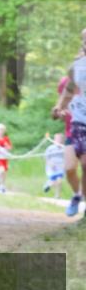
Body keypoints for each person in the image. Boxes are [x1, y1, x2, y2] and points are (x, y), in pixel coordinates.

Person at [52, 27, 86, 218]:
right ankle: (77, 195)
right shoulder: (77, 67)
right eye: (85, 40)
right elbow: (68, 90)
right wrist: (59, 107)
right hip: (76, 124)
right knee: (69, 168)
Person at [58, 76, 82, 200]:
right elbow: (60, 105)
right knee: (69, 169)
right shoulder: (66, 81)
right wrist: (60, 112)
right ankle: (78, 195)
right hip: (72, 132)